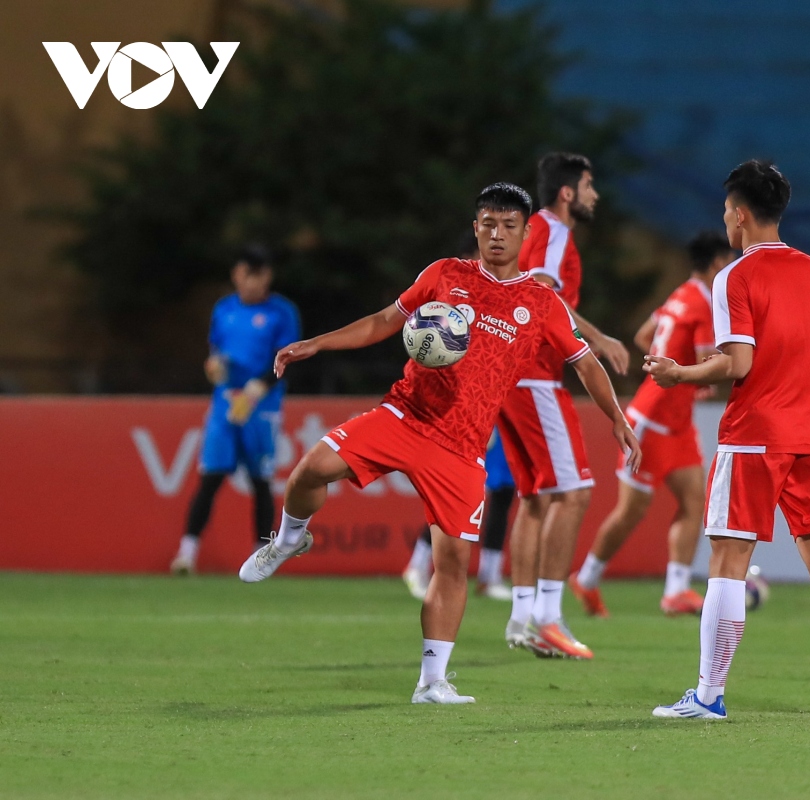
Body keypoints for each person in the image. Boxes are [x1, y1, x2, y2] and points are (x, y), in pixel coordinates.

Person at [241, 183, 640, 705]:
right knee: (311, 469)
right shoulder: (445, 275)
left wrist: (616, 418)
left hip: (462, 448)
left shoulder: (541, 302)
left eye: (508, 226)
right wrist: (318, 342)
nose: (497, 234)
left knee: (452, 563)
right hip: (404, 414)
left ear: (524, 233)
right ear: (476, 228)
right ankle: (291, 537)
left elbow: (585, 363)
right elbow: (386, 321)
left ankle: (433, 682)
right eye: (488, 224)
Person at [645, 160, 810, 722]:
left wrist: (679, 374)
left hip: (756, 436)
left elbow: (738, 364)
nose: (725, 219)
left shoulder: (734, 277)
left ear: (739, 215)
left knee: (727, 559)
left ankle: (709, 696)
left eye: (725, 211)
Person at [498, 153, 630, 659]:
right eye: (590, 185)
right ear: (569, 192)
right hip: (535, 375)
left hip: (509, 376)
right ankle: (549, 616)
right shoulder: (552, 231)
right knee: (574, 493)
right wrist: (597, 337)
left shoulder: (534, 230)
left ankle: (521, 618)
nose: (595, 195)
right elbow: (542, 290)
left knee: (536, 500)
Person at [570, 232, 736, 617]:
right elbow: (708, 359)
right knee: (631, 512)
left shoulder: (681, 294)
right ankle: (587, 578)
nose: (731, 267)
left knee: (696, 501)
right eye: (728, 260)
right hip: (650, 421)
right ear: (716, 263)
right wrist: (699, 376)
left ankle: (676, 591)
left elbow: (646, 336)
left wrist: (674, 371)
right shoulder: (706, 304)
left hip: (676, 423)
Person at [170, 245, 300, 575]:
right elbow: (217, 351)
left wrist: (258, 388)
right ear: (236, 275)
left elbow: (285, 358)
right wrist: (214, 367)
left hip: (261, 406)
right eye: (247, 273)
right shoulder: (224, 309)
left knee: (260, 481)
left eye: (260, 274)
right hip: (226, 404)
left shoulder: (281, 312)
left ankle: (261, 557)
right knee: (211, 476)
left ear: (268, 276)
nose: (253, 282)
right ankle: (186, 553)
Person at [402, 233, 516, 603]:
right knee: (455, 491)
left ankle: (491, 574)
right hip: (460, 413)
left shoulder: (500, 300)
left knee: (501, 490)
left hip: (496, 408)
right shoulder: (448, 304)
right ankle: (418, 565)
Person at [403, 428, 517, 603]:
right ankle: (417, 565)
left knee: (504, 493)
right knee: (460, 497)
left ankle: (490, 576)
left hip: (512, 422)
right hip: (485, 417)